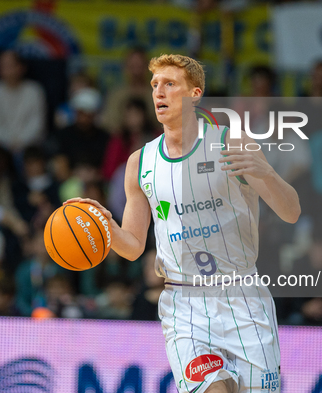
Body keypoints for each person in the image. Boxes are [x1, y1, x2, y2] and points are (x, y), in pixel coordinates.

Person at [66, 54, 301, 393]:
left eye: (169, 84)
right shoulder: (140, 162)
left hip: (243, 297)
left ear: (195, 93)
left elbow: (291, 211)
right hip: (185, 302)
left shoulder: (230, 143)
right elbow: (132, 247)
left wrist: (266, 172)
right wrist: (107, 228)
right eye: (154, 85)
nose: (159, 92)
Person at [0, 50, 47, 155]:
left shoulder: (34, 90)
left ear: (21, 67)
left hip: (29, 146)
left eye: (10, 65)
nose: (6, 70)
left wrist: (20, 143)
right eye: (2, 66)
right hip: (0, 147)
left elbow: (37, 125)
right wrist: (8, 143)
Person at [101, 47, 159, 133]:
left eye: (139, 66)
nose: (136, 71)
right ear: (126, 67)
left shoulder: (159, 94)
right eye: (133, 66)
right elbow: (108, 123)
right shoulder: (116, 95)